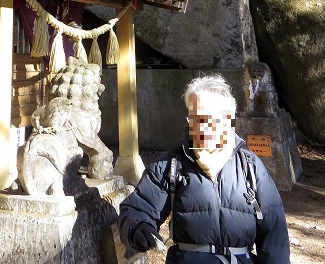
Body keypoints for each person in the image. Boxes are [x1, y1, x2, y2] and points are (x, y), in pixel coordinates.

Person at [118, 74, 290, 264]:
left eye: (212, 119)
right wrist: (137, 227)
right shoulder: (173, 163)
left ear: (228, 119)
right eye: (197, 119)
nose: (204, 127)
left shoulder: (249, 165)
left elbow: (275, 233)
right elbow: (137, 209)